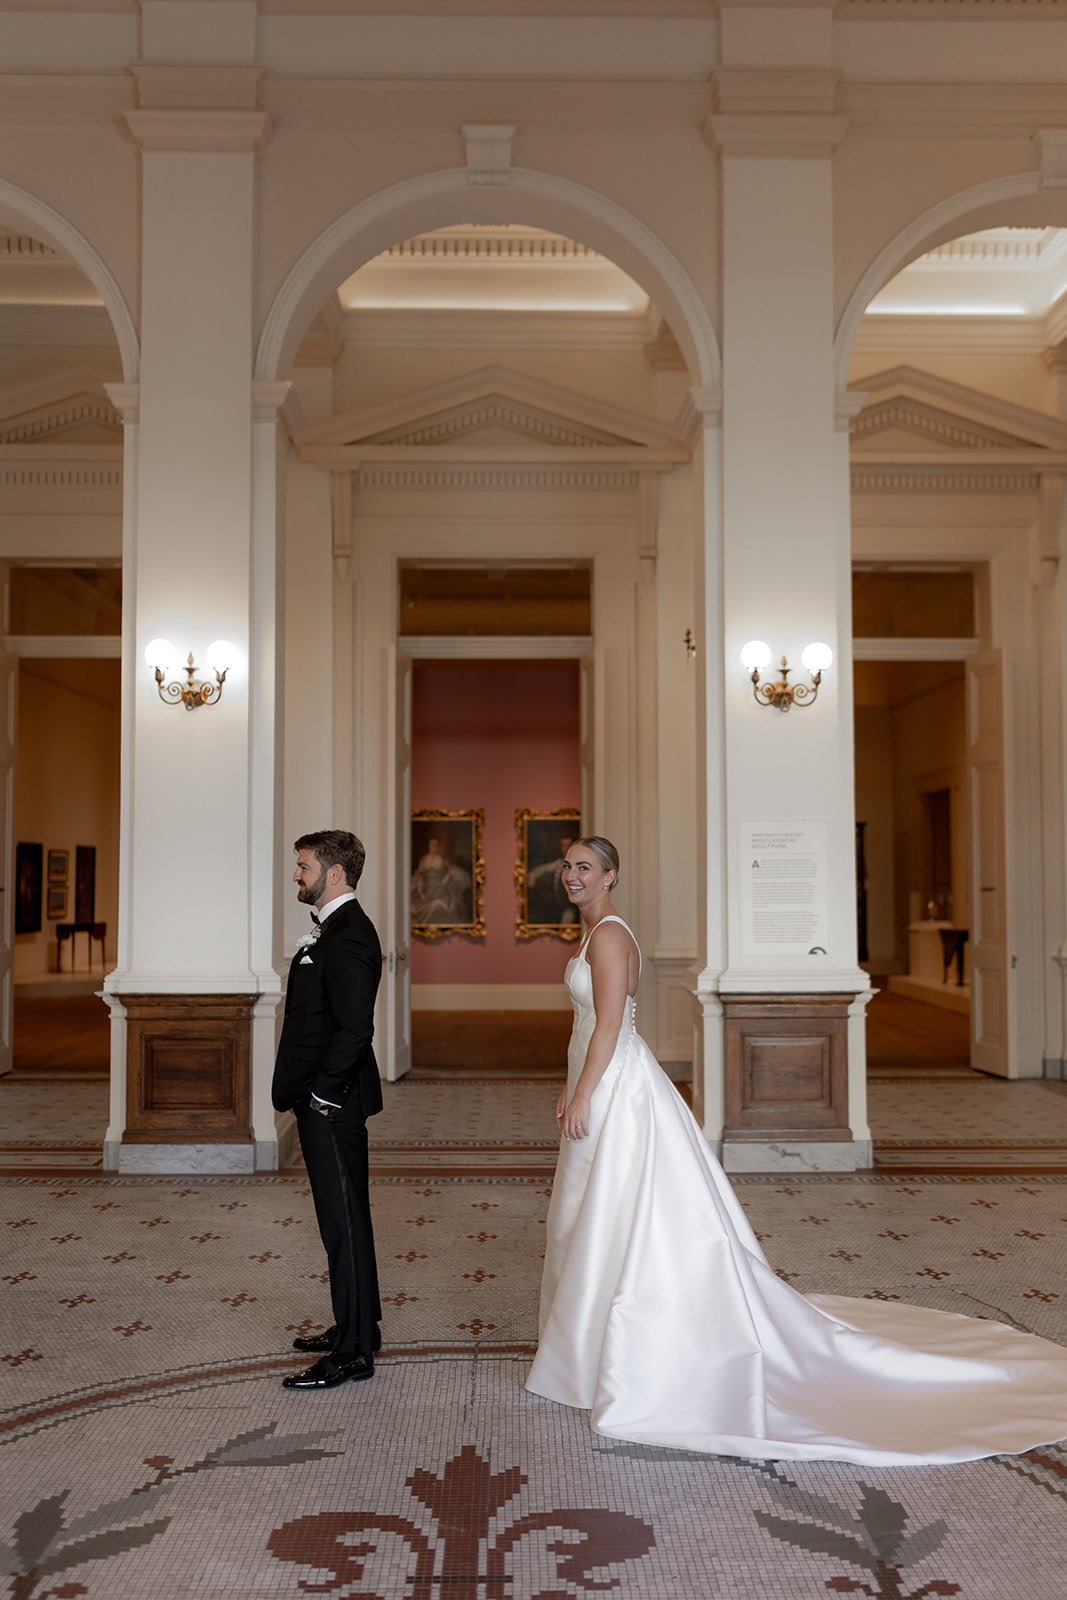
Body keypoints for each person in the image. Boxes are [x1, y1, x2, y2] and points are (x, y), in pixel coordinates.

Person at [526, 835, 1067, 1465]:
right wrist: (570, 1088)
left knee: (616, 1213)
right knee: (587, 1215)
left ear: (611, 875)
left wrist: (585, 1093)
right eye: (567, 866)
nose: (572, 875)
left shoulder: (613, 936)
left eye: (585, 867)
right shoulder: (591, 935)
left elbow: (613, 1025)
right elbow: (585, 1026)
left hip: (618, 1087)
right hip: (597, 1079)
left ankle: (628, 1343)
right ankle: (587, 1347)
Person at [272, 829, 384, 1391]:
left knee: (344, 1225)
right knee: (341, 1222)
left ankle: (353, 1353)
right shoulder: (334, 930)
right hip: (322, 1099)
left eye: (303, 866)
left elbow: (354, 1029)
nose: (296, 875)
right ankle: (356, 1326)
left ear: (333, 873)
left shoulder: (349, 937)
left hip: (331, 1105)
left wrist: (321, 1097)